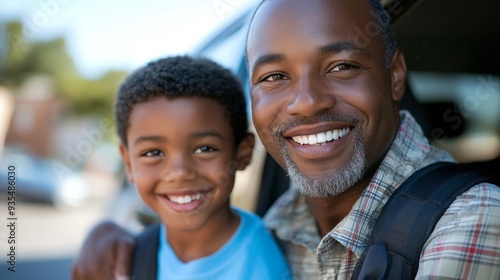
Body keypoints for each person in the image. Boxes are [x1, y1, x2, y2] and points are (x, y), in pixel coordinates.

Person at [73, 0, 500, 279]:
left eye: (341, 66)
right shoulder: (275, 227)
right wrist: (122, 240)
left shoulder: (473, 219)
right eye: (274, 76)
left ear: (394, 75)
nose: (307, 103)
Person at [75, 55, 291, 280]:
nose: (179, 172)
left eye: (204, 148)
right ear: (128, 163)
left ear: (242, 153)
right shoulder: (125, 262)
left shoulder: (264, 265)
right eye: (153, 153)